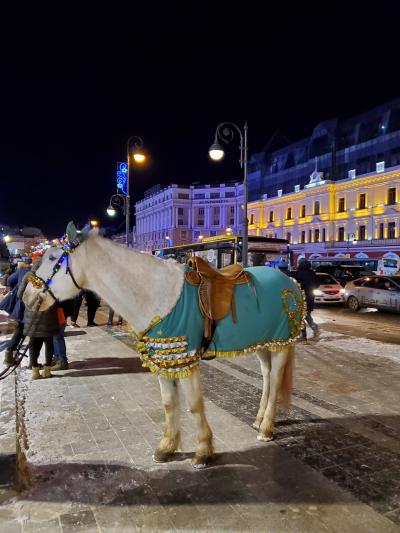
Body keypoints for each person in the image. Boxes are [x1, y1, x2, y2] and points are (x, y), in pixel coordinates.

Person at [18, 260, 60, 379]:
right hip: (49, 316)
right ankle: (47, 370)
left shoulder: (29, 277)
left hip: (32, 316)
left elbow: (19, 295)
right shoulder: (52, 278)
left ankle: (35, 371)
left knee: (33, 342)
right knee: (49, 342)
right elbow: (57, 297)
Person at [0, 261, 31, 364]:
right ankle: (33, 363)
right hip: (33, 306)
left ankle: (9, 355)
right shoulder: (43, 273)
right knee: (34, 334)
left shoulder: (23, 270)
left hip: (22, 305)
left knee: (21, 329)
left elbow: (9, 281)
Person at [293, 258, 320, 342]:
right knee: (307, 314)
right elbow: (317, 284)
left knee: (301, 317)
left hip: (301, 297)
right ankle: (314, 328)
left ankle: (304, 335)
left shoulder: (298, 273)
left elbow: (295, 285)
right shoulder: (312, 273)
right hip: (310, 297)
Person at [52, 298, 75, 370]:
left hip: (60, 309)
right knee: (55, 336)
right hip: (61, 308)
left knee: (58, 336)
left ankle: (62, 360)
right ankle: (57, 358)